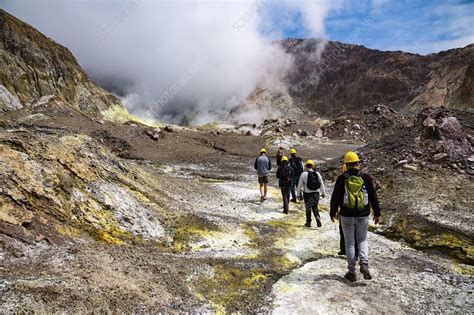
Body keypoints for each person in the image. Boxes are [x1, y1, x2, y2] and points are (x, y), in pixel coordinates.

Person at [330, 151, 381, 282]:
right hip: (363, 214)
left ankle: (352, 272)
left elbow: (335, 196)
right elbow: (373, 196)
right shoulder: (366, 178)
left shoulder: (342, 178)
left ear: (346, 164)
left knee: (350, 243)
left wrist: (333, 211)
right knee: (362, 240)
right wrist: (377, 213)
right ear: (358, 163)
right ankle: (364, 263)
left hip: (346, 215)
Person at [297, 160, 325, 227]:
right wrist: (323, 192)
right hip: (316, 194)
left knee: (308, 208)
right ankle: (317, 216)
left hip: (307, 194)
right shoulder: (317, 174)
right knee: (315, 206)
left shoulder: (303, 174)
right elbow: (321, 183)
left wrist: (298, 194)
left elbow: (299, 185)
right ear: (312, 166)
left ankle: (308, 222)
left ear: (306, 166)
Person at [338, 163, 359, 257]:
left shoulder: (342, 178)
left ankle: (344, 250)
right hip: (359, 211)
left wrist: (335, 210)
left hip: (345, 211)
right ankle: (357, 253)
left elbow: (337, 197)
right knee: (356, 232)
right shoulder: (361, 178)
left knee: (343, 231)